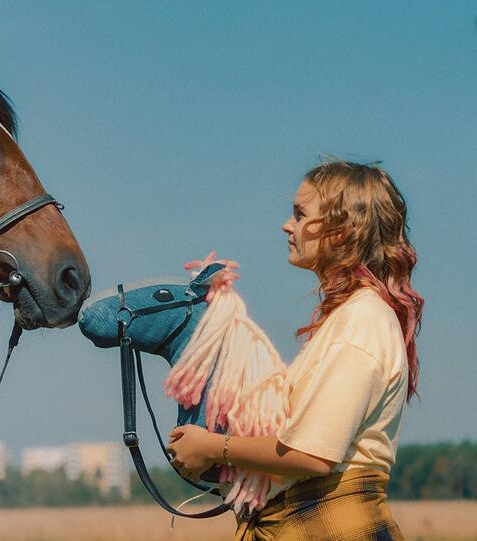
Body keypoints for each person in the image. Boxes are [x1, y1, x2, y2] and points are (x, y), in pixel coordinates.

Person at [167, 160, 423, 540]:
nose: (288, 225)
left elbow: (312, 454)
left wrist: (212, 447)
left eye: (301, 215)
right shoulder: (352, 317)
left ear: (342, 230)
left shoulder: (362, 319)